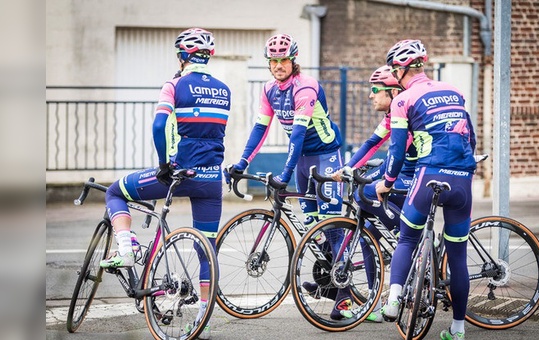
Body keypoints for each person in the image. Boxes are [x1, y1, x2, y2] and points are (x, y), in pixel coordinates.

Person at [100, 28, 230, 339]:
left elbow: (160, 125)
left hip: (179, 173)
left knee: (115, 191)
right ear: (208, 55)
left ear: (182, 55)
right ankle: (203, 321)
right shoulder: (224, 89)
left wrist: (162, 164)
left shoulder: (174, 85)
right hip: (212, 178)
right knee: (206, 250)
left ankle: (127, 246)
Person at [223, 33, 349, 320]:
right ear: (268, 64)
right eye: (274, 60)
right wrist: (242, 162)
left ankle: (344, 296)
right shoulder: (269, 89)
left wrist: (285, 173)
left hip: (325, 156)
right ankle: (329, 283)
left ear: (293, 61)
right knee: (313, 228)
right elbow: (260, 129)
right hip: (303, 161)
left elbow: (300, 134)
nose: (279, 65)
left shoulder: (305, 87)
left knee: (331, 225)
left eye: (284, 60)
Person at [375, 39, 476, 340]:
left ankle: (393, 300)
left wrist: (387, 183)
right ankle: (458, 329)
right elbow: (470, 137)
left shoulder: (402, 100)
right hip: (462, 179)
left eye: (394, 70)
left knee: (407, 237)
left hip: (428, 175)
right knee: (457, 255)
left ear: (400, 70)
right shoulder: (455, 92)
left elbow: (396, 152)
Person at [330, 65, 417, 323]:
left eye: (375, 90)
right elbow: (371, 143)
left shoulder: (407, 114)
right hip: (401, 177)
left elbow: (398, 155)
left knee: (365, 192)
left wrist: (379, 180)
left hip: (413, 179)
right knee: (368, 232)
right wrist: (348, 168)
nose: (371, 95)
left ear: (392, 92)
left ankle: (408, 238)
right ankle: (373, 301)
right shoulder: (391, 115)